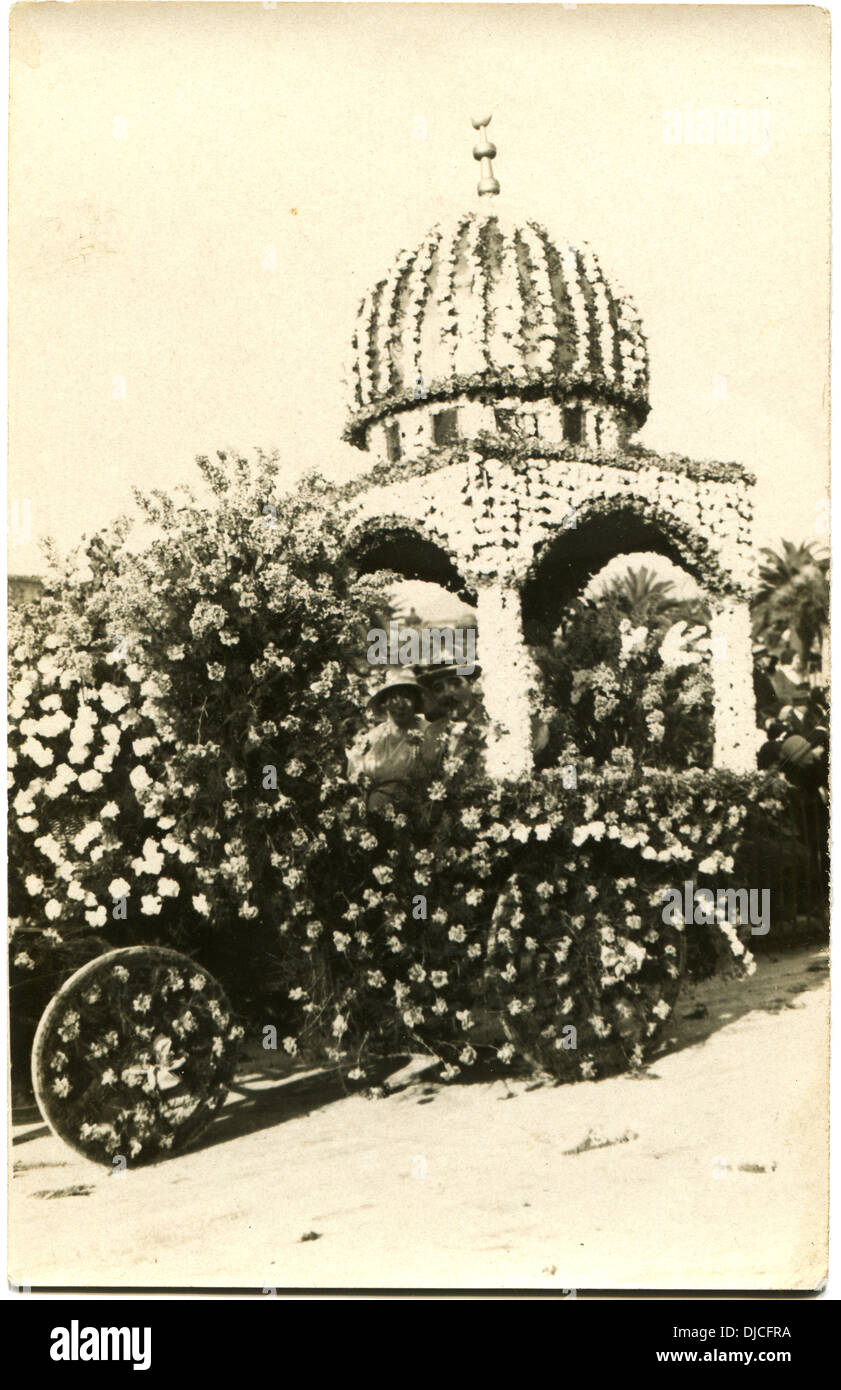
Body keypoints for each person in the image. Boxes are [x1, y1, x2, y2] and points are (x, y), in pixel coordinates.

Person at [346, 669, 441, 812]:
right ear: (384, 702)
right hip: (374, 816)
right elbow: (354, 774)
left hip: (415, 813)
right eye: (393, 698)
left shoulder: (429, 733)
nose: (400, 705)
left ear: (415, 701)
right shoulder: (374, 737)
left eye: (407, 697)